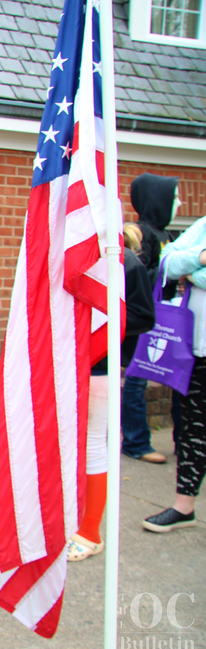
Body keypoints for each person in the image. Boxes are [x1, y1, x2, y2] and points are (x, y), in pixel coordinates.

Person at [67, 224, 155, 561]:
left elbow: (144, 316)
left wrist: (103, 322)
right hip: (69, 363)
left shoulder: (126, 262)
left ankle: (90, 531)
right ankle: (72, 521)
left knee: (93, 446)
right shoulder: (75, 255)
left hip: (99, 366)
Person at [142, 213, 206, 533]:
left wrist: (195, 276)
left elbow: (183, 272)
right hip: (197, 346)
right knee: (193, 429)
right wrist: (200, 257)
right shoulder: (204, 225)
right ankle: (184, 507)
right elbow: (166, 262)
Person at [122, 174, 182, 463]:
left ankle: (182, 439)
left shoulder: (167, 235)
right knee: (136, 379)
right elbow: (137, 279)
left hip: (167, 319)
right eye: (174, 198)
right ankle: (135, 442)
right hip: (146, 320)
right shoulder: (141, 234)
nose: (180, 203)